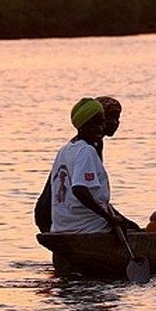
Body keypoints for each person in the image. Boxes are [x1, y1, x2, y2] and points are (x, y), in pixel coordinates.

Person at [45, 97, 137, 234]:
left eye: (116, 118)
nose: (112, 124)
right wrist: (109, 218)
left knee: (130, 226)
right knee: (134, 230)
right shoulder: (86, 150)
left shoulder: (67, 149)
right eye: (106, 120)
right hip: (82, 225)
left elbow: (93, 191)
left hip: (63, 223)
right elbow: (79, 189)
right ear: (83, 125)